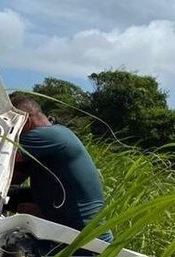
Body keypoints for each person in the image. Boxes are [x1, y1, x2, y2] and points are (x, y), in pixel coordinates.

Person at [8, 94, 113, 243]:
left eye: (9, 124)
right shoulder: (43, 146)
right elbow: (9, 180)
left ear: (25, 120)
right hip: (74, 236)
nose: (8, 131)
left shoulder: (48, 135)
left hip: (84, 244)